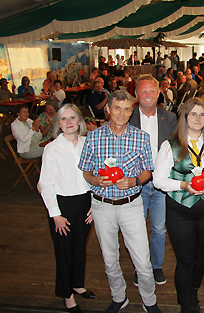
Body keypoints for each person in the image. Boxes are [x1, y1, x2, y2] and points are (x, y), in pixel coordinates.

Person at [78, 90, 161, 313]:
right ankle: (118, 297)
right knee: (109, 258)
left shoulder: (141, 137)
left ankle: (149, 300)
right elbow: (85, 171)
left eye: (126, 109)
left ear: (131, 111)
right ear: (108, 110)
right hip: (102, 206)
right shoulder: (93, 137)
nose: (121, 113)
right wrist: (96, 180)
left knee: (142, 260)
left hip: (132, 204)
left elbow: (148, 171)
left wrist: (134, 180)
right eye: (117, 108)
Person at [154, 97, 204, 313]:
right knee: (185, 260)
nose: (198, 118)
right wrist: (184, 185)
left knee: (199, 257)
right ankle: (185, 303)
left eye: (202, 114)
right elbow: (159, 181)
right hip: (180, 211)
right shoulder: (170, 145)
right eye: (193, 114)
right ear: (185, 117)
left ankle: (193, 291)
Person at [38, 104, 95, 313]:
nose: (69, 122)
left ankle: (77, 284)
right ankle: (66, 294)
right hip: (63, 205)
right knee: (64, 251)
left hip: (85, 202)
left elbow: (93, 175)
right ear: (58, 124)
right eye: (64, 119)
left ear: (80, 121)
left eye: (73, 118)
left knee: (80, 246)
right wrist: (55, 214)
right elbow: (46, 184)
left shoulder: (87, 143)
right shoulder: (52, 149)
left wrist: (94, 204)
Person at [129, 75, 178, 286]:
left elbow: (176, 148)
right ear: (136, 94)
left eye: (151, 91)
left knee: (159, 229)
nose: (148, 95)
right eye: (143, 91)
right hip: (136, 183)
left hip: (160, 184)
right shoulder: (127, 117)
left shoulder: (170, 118)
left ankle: (156, 266)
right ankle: (140, 268)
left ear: (159, 93)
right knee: (136, 229)